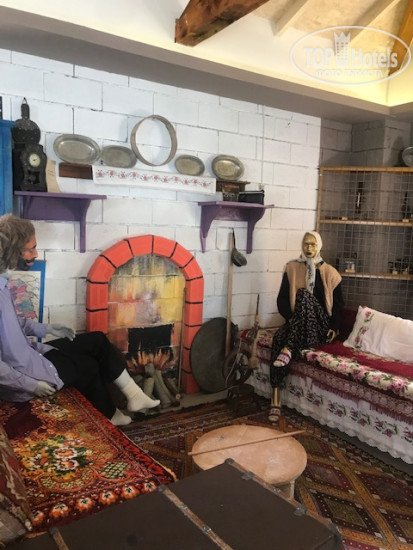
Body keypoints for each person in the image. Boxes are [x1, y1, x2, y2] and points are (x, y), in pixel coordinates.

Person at [0, 214, 160, 426]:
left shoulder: (3, 286)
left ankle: (135, 395)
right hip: (27, 374)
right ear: (12, 251)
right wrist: (31, 385)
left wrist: (48, 328)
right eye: (30, 249)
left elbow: (14, 325)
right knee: (88, 365)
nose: (36, 254)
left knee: (96, 340)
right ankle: (111, 416)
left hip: (32, 354)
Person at [269, 230, 344, 423]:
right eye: (306, 244)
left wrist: (333, 328)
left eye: (313, 244)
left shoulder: (331, 273)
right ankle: (275, 399)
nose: (309, 248)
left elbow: (338, 307)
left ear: (319, 246)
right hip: (297, 324)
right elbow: (282, 301)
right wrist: (294, 320)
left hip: (318, 328)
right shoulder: (291, 268)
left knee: (303, 295)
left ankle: (288, 349)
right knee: (278, 337)